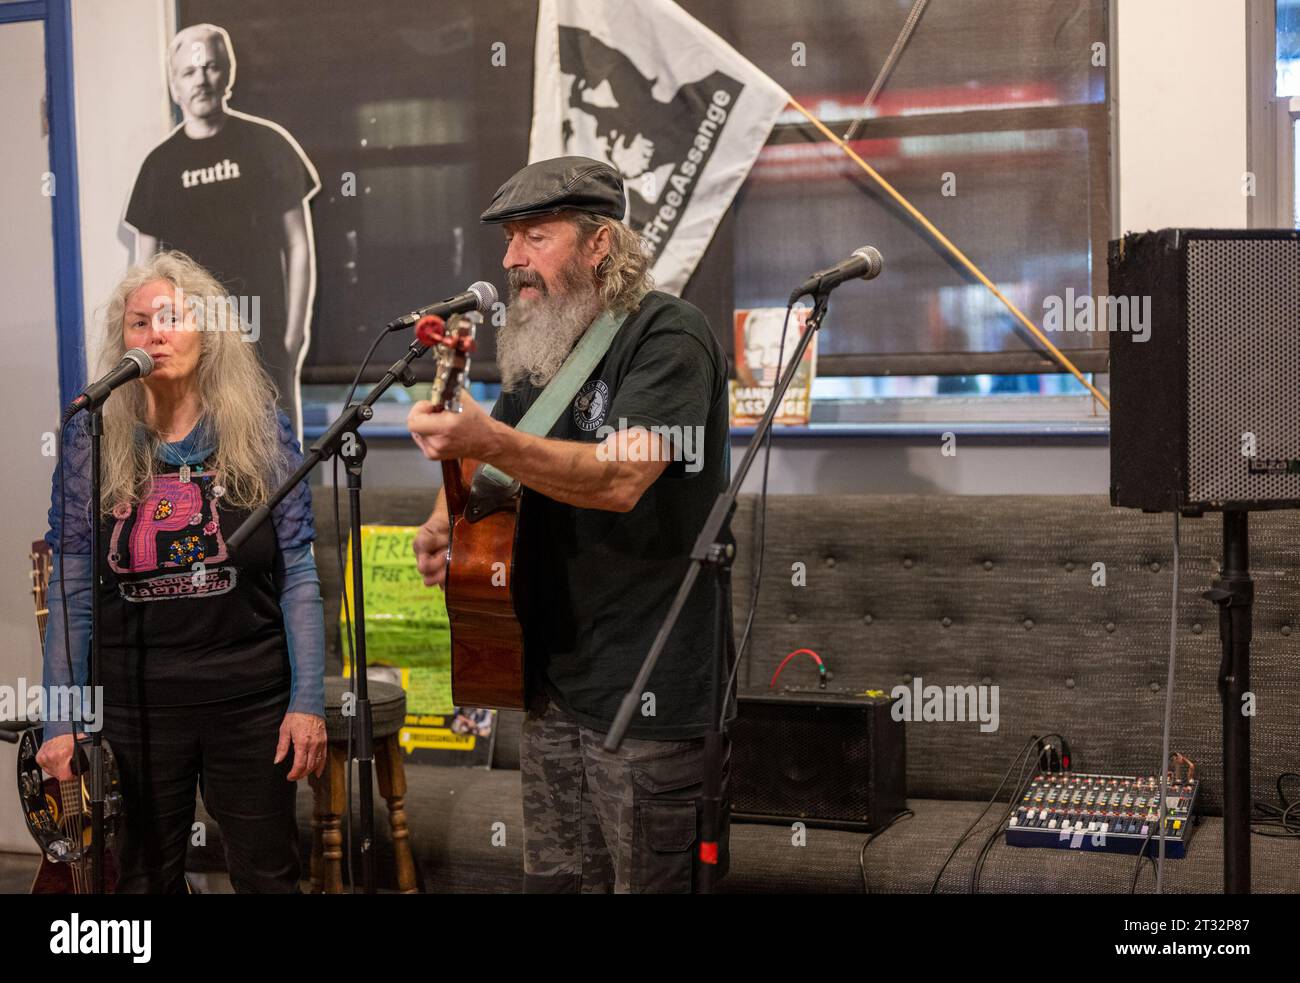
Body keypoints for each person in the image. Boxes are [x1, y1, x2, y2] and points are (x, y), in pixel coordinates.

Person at [407, 156, 734, 893]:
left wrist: (485, 437)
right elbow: (502, 470)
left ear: (600, 245)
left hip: (647, 691)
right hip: (551, 680)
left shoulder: (668, 337)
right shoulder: (544, 343)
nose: (511, 259)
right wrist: (445, 522)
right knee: (554, 882)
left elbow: (620, 479)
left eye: (535, 237)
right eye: (509, 239)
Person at [38, 250, 327, 894]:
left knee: (269, 875)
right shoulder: (92, 439)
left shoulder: (260, 432)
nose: (153, 335)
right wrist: (59, 718)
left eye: (170, 318)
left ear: (210, 332)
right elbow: (73, 593)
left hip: (249, 702)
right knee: (142, 882)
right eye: (139, 324)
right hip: (136, 708)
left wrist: (307, 703)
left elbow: (300, 577)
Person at [123, 23, 319, 437]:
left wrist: (295, 332)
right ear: (175, 85)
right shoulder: (158, 166)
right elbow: (143, 271)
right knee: (199, 444)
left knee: (272, 443)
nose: (201, 80)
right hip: (188, 331)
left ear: (227, 73)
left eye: (210, 67)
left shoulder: (270, 144)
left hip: (261, 321)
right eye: (189, 72)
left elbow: (298, 245)